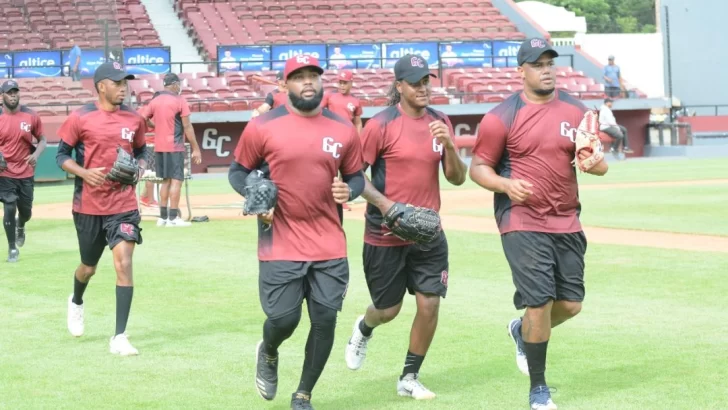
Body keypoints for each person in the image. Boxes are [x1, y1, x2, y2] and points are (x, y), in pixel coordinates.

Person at [468, 38, 609, 410]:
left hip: (566, 217)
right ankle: (538, 389)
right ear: (522, 71)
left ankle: (520, 332)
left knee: (572, 304)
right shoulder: (501, 116)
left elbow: (597, 162)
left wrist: (596, 165)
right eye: (538, 64)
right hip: (521, 219)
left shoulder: (577, 111)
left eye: (550, 63)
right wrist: (505, 185)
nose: (547, 69)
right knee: (539, 302)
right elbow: (478, 168)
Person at [228, 55, 364, 410]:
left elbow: (356, 176)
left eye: (313, 76)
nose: (308, 82)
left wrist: (349, 191)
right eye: (299, 77)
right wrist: (254, 194)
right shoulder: (263, 126)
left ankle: (303, 393)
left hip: (329, 240)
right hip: (280, 238)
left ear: (321, 82)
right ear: (284, 85)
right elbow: (238, 171)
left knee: (324, 320)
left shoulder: (343, 128)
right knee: (284, 318)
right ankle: (269, 351)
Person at [343, 54, 467, 400]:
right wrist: (387, 206)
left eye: (427, 81)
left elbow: (457, 178)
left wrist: (450, 146)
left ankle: (409, 376)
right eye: (415, 83)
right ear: (399, 87)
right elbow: (354, 174)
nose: (423, 88)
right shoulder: (380, 125)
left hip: (428, 233)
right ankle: (364, 327)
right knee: (388, 310)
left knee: (430, 305)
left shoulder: (441, 121)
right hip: (386, 233)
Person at [56, 61, 148, 356]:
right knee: (89, 268)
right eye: (118, 83)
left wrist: (141, 168)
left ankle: (119, 336)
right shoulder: (80, 117)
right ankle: (77, 300)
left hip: (123, 205)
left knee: (123, 263)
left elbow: (143, 150)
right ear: (101, 87)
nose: (124, 88)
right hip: (88, 206)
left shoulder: (134, 119)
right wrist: (83, 172)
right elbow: (61, 155)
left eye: (126, 83)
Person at [139, 73, 202, 227]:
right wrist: (196, 148)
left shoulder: (155, 100)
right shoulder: (179, 100)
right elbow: (187, 126)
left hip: (159, 147)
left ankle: (163, 217)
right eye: (178, 84)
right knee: (176, 181)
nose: (179, 87)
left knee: (165, 181)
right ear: (174, 84)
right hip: (175, 146)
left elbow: (143, 118)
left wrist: (155, 127)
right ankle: (173, 218)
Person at [0, 80, 47, 262]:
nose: (13, 95)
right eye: (9, 92)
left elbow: (42, 140)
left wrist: (36, 154)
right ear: (2, 96)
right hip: (5, 172)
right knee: (9, 207)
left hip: (26, 171)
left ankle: (21, 224)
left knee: (26, 212)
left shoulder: (30, 116)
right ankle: (12, 248)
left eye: (15, 92)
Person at [322, 70, 364, 211]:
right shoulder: (329, 96)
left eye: (345, 82)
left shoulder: (355, 101)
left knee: (346, 170)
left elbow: (358, 122)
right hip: (331, 138)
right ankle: (327, 197)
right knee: (330, 168)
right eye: (340, 82)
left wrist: (358, 138)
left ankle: (342, 199)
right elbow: (319, 112)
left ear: (351, 83)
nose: (342, 85)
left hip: (348, 139)